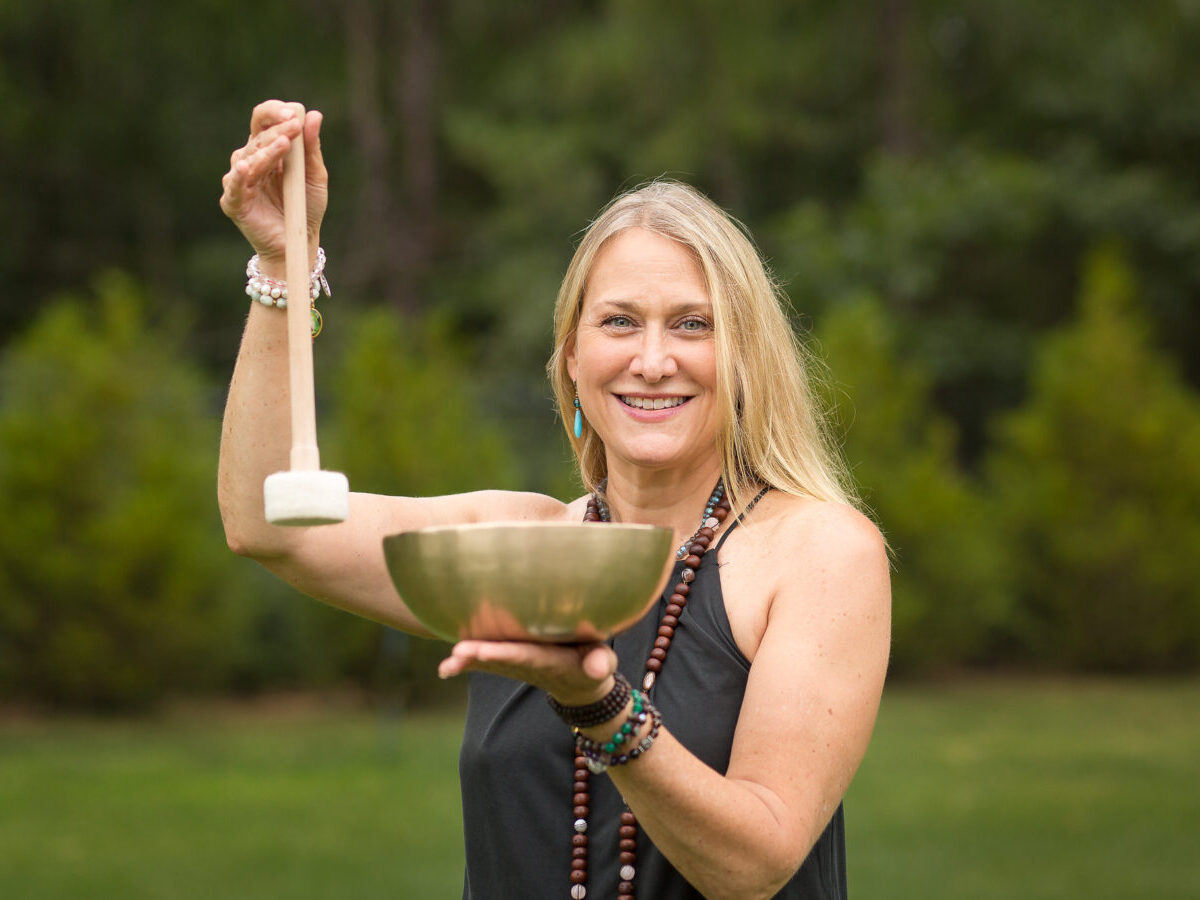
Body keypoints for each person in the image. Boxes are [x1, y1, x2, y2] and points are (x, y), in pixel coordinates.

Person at [219, 99, 891, 900]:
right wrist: (282, 264)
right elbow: (269, 523)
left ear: (745, 359)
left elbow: (753, 865)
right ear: (573, 356)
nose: (652, 360)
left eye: (691, 325)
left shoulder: (819, 553)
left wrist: (600, 706)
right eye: (619, 322)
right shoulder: (511, 548)